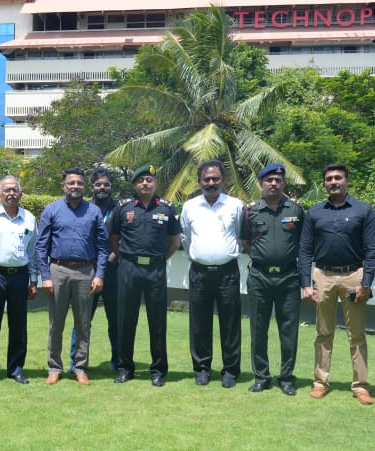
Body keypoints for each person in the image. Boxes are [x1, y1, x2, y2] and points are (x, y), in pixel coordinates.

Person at [298, 164, 375, 405]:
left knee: (357, 334)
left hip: (354, 275)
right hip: (323, 276)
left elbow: (372, 249)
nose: (333, 182)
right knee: (323, 332)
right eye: (329, 179)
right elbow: (304, 250)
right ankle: (320, 382)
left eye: (338, 178)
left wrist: (366, 282)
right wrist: (306, 283)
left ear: (346, 180)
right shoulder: (314, 213)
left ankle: (361, 386)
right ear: (324, 183)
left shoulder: (363, 210)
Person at [109, 165, 181, 387]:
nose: (145, 184)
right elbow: (113, 237)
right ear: (134, 185)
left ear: (155, 183)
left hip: (155, 269)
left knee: (157, 321)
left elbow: (175, 241)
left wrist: (160, 259)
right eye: (140, 181)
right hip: (128, 268)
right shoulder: (123, 208)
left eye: (149, 180)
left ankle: (158, 370)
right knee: (125, 320)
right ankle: (125, 368)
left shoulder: (167, 209)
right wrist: (124, 257)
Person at [36, 168, 107, 385]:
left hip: (86, 272)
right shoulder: (52, 210)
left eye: (79, 183)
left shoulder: (93, 211)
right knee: (56, 323)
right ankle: (54, 368)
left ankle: (80, 368)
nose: (75, 186)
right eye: (71, 183)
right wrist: (45, 276)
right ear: (63, 186)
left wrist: (100, 274)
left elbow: (103, 246)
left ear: (84, 186)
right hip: (58, 270)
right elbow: (41, 246)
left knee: (83, 323)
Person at [240, 163, 305, 394]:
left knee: (289, 330)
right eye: (269, 180)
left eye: (278, 180)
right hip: (259, 277)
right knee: (258, 329)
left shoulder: (296, 210)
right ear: (261, 184)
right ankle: (261, 376)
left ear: (284, 183)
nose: (273, 184)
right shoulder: (250, 211)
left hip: (289, 277)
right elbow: (246, 242)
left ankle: (286, 377)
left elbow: (302, 243)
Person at [179, 160, 243, 388]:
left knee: (231, 323)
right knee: (199, 323)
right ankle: (202, 368)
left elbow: (239, 235)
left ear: (223, 180)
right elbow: (185, 238)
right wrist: (198, 256)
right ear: (199, 182)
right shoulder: (190, 207)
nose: (211, 183)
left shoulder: (235, 205)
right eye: (206, 179)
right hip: (199, 272)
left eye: (215, 178)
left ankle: (230, 371)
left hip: (228, 272)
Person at [0, 176, 39, 384]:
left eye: (15, 190)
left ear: (21, 194)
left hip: (20, 275)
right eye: (7, 190)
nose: (11, 193)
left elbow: (33, 252)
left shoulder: (29, 218)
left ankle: (16, 368)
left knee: (19, 325)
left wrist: (33, 280)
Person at [68, 167, 119, 370]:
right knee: (82, 321)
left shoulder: (120, 209)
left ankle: (118, 361)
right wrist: (96, 267)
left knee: (116, 321)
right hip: (88, 274)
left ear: (111, 187)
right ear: (92, 187)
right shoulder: (85, 209)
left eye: (106, 184)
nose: (102, 187)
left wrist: (106, 263)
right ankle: (76, 363)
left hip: (114, 272)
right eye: (98, 184)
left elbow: (123, 240)